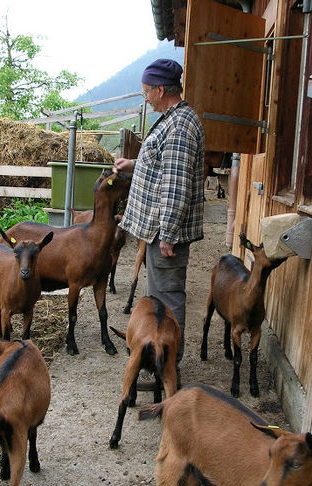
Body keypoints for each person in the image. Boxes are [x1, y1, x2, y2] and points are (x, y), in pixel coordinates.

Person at [113, 58, 205, 385]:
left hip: (165, 233)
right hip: (158, 230)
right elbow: (163, 163)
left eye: (146, 92)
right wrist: (133, 163)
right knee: (159, 301)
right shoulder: (174, 120)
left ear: (161, 90)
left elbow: (176, 184)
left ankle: (170, 368)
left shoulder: (179, 125)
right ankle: (160, 359)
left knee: (167, 301)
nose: (145, 98)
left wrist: (167, 233)